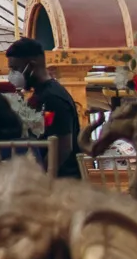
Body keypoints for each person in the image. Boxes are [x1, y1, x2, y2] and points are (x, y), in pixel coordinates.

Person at [6, 37, 85, 179]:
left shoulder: (53, 98)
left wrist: (43, 178)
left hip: (63, 184)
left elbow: (62, 146)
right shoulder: (40, 94)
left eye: (15, 69)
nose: (12, 75)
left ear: (30, 66)